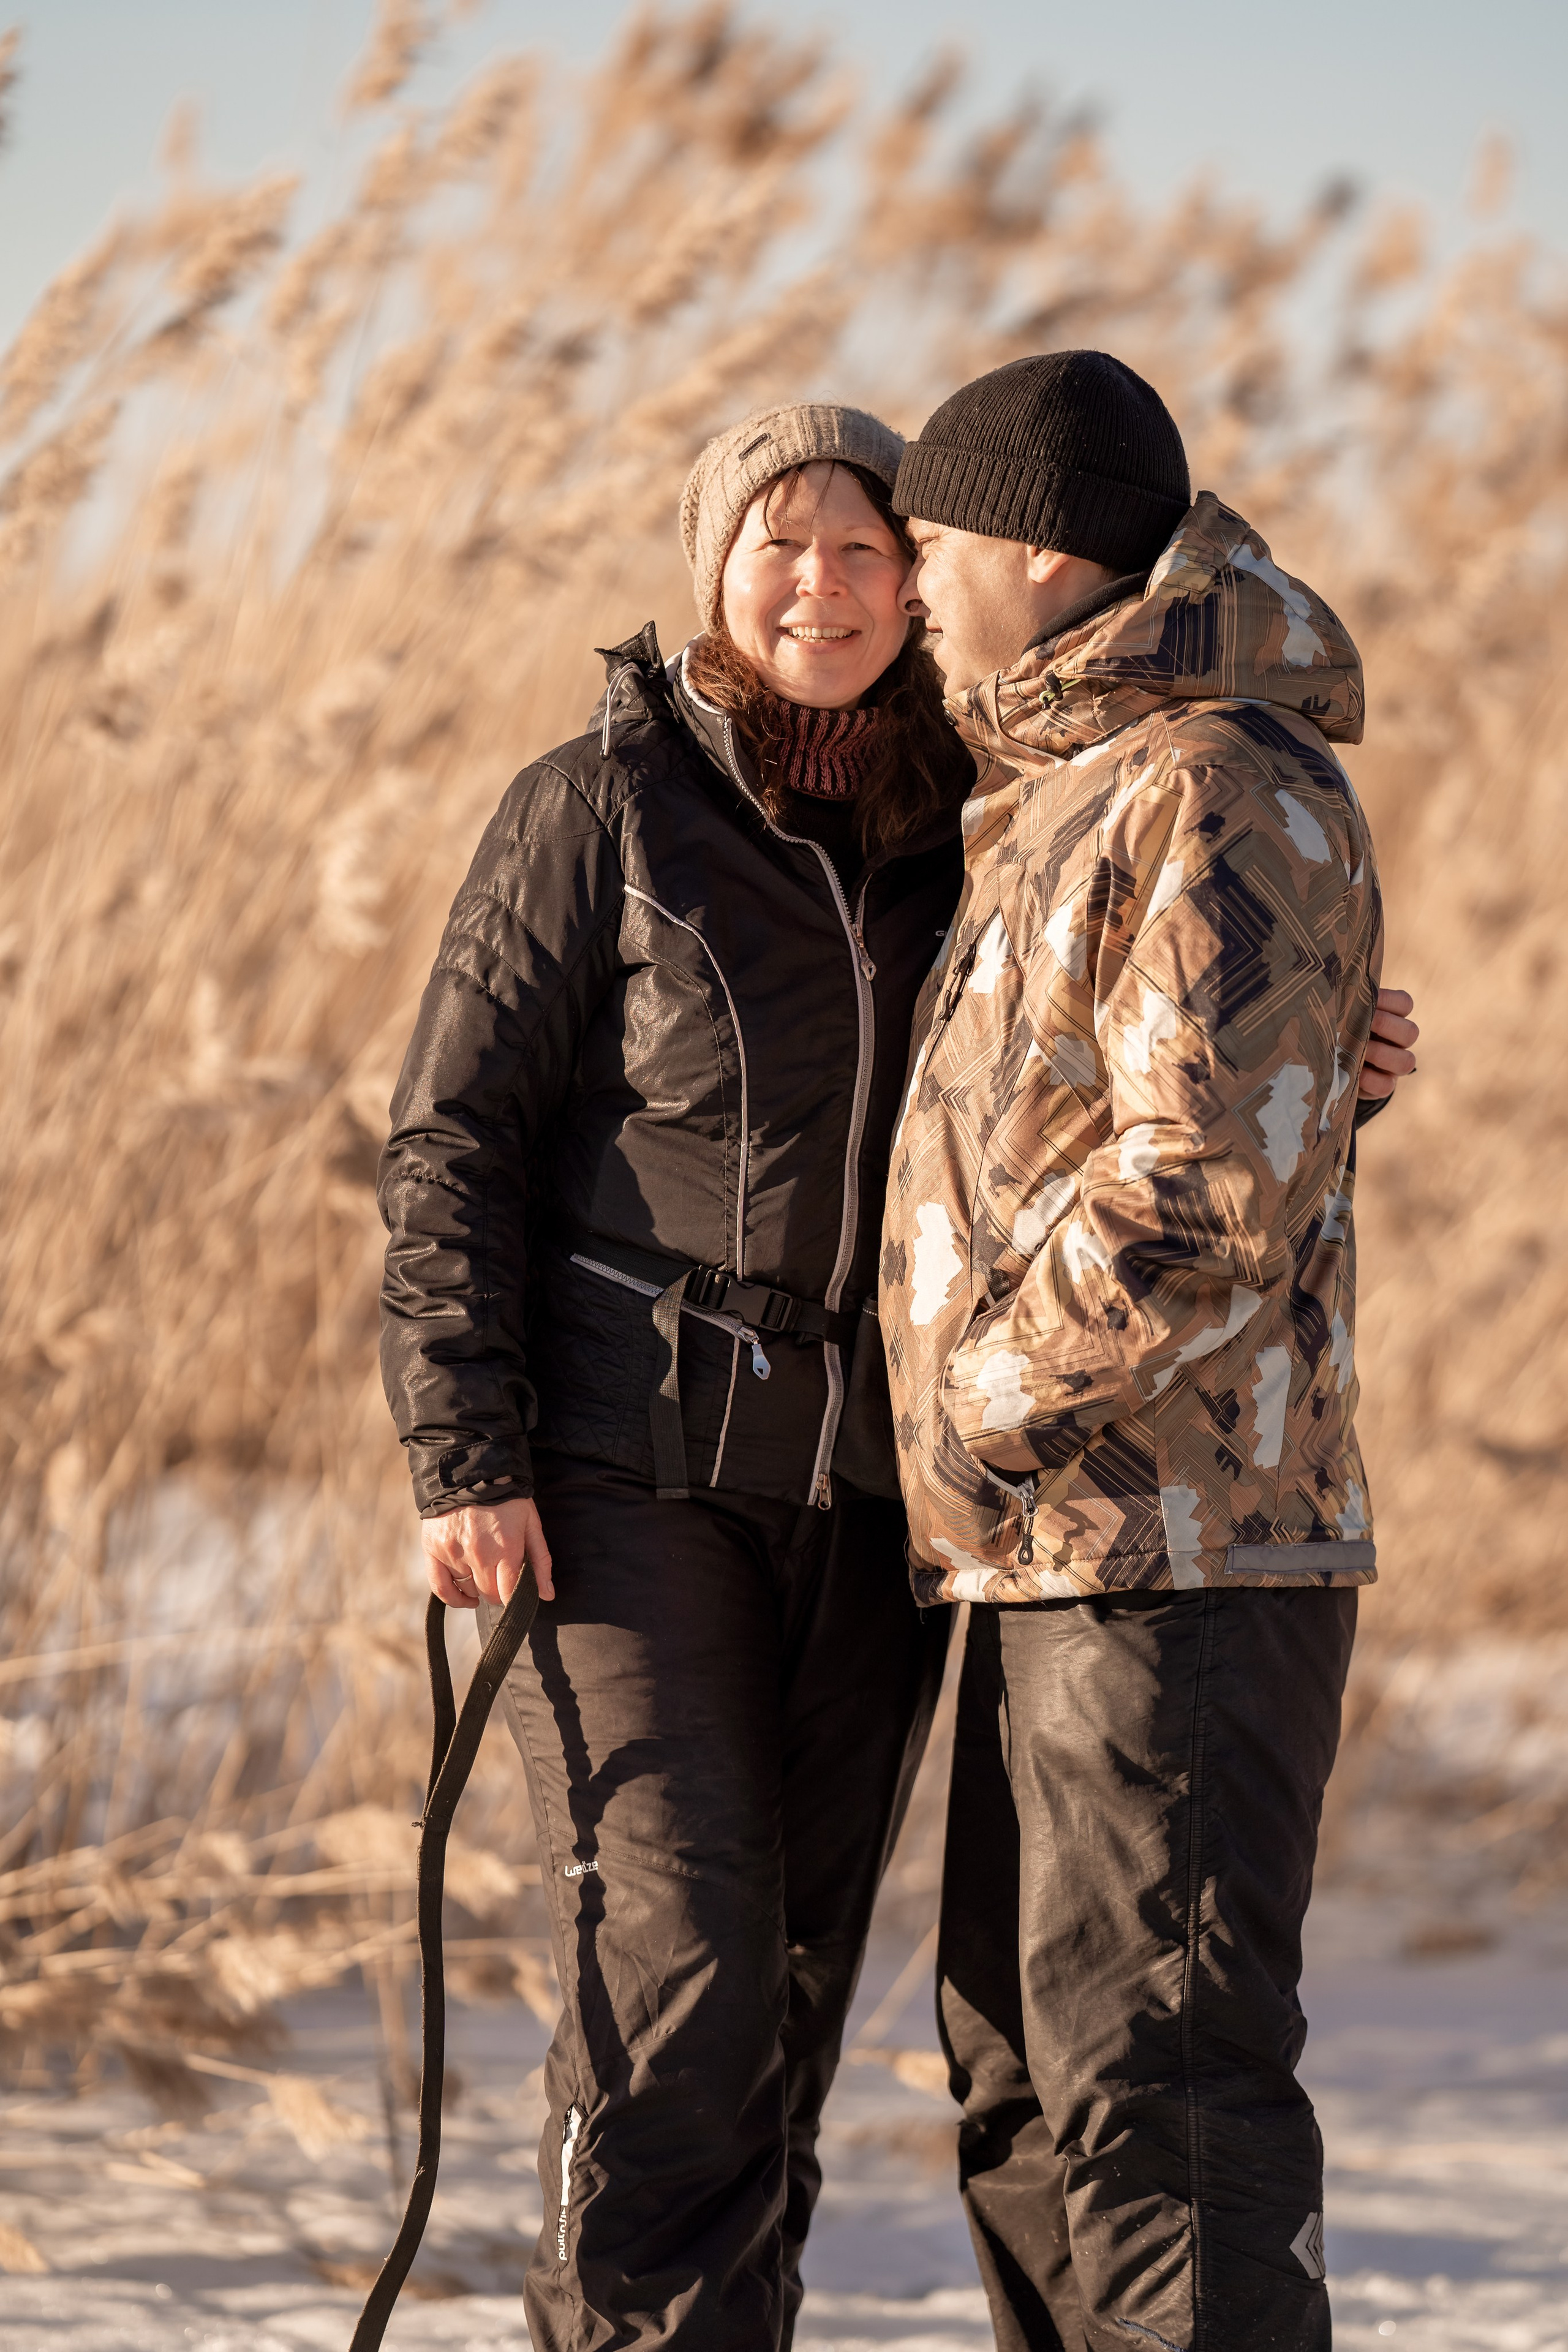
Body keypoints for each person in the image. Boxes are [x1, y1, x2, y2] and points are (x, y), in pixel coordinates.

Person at [379, 387, 1414, 2350]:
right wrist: (463, 1445)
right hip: (667, 1479)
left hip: (950, 1516)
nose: (853, 584)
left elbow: (1178, 1137)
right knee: (726, 2012)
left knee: (910, 2045)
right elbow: (454, 1144)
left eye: (885, 543)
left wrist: (1325, 1049)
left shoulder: (1021, 801)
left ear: (1002, 557)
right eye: (785, 542)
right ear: (708, 571)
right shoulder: (613, 806)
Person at [880, 349, 1409, 2352]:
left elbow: (1202, 1196)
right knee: (1030, 2090)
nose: (915, 586)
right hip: (1068, 1545)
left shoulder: (1211, 781)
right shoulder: (1083, 790)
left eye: (932, 545)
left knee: (1164, 2113)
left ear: (1036, 551)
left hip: (1172, 1544)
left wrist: (976, 1401)